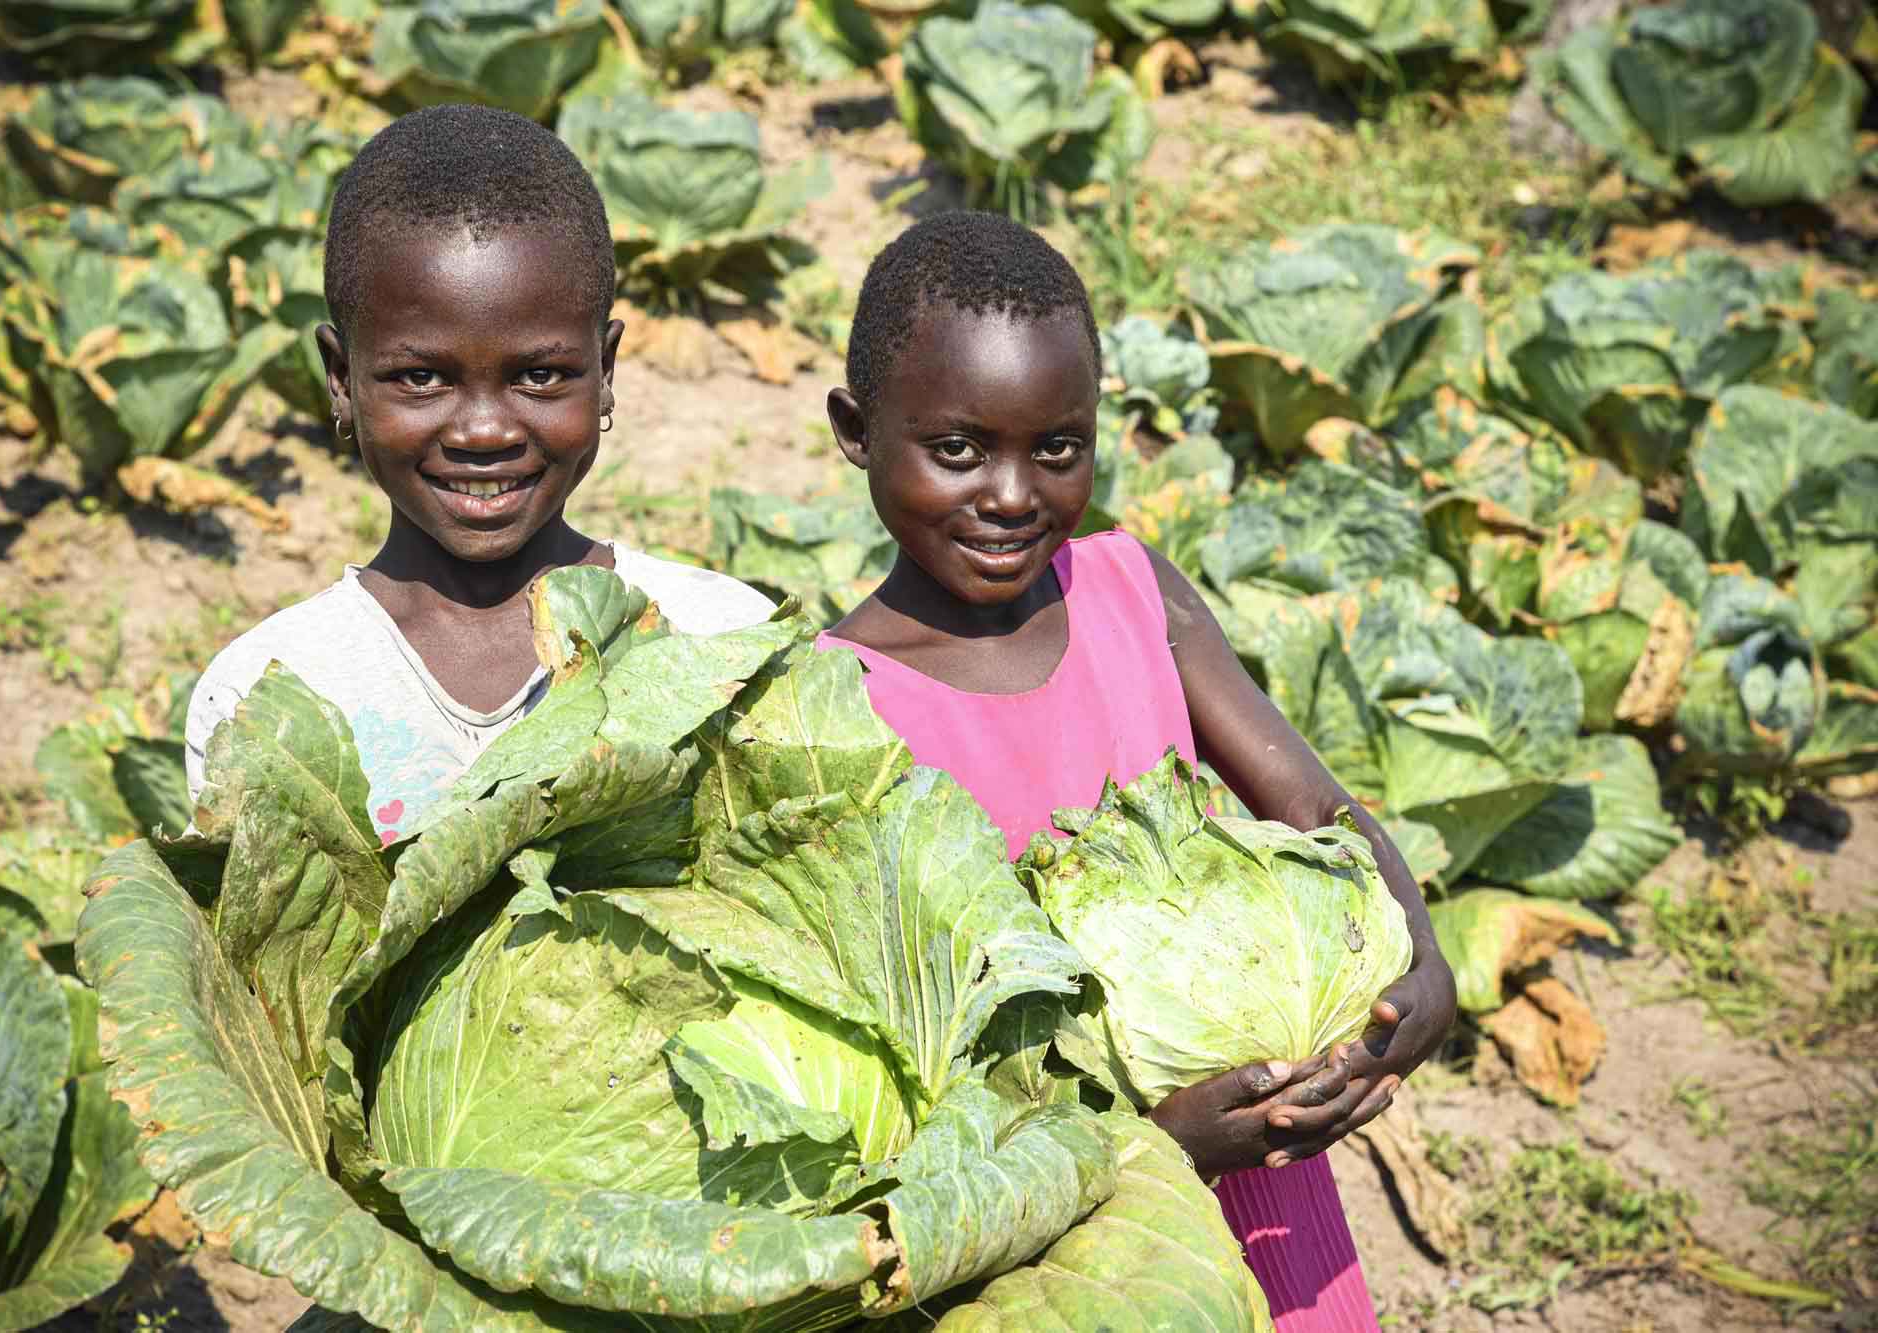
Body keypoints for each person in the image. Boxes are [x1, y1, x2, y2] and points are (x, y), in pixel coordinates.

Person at [813, 211, 1457, 1331]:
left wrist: (1423, 974)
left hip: (1268, 1176)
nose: (1012, 495)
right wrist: (1150, 1147)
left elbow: (1312, 806)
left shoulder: (1128, 589)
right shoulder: (835, 703)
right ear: (856, 432)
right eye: (957, 450)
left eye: (1056, 448)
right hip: (1058, 1237)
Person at [184, 105, 774, 836]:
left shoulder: (724, 644)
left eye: (540, 375)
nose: (484, 431)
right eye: (422, 378)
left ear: (606, 369)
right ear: (341, 378)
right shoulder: (270, 696)